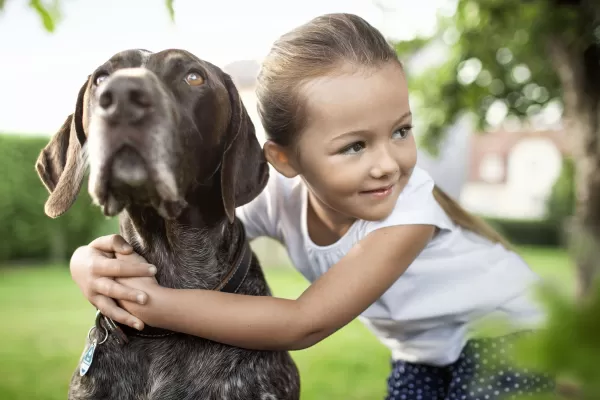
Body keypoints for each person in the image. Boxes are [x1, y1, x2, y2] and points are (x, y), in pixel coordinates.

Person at [69, 13, 555, 400]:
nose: (387, 164)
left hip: (519, 342)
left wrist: (144, 301)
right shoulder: (276, 197)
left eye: (401, 131)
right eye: (354, 146)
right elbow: (205, 223)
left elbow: (304, 322)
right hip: (423, 356)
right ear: (284, 160)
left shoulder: (410, 213)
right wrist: (85, 264)